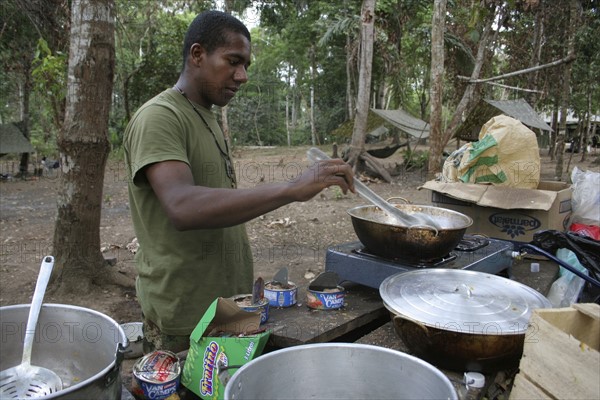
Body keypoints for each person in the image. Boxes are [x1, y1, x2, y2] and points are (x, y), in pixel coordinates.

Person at [123, 10, 354, 354]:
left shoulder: (206, 115)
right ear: (197, 55)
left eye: (245, 65)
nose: (242, 76)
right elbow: (182, 207)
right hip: (186, 317)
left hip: (229, 305)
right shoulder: (160, 117)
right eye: (233, 61)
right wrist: (291, 189)